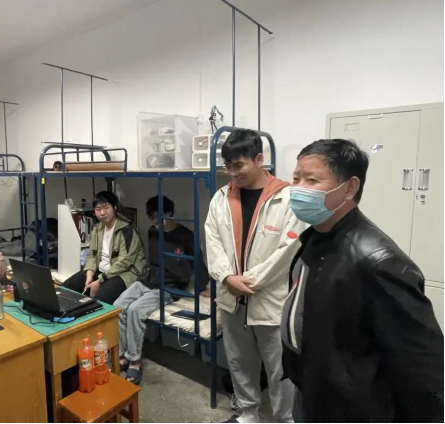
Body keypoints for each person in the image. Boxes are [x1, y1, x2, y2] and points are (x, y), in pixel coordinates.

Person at [283, 139, 445, 423]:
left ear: (349, 188)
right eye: (296, 178)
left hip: (352, 408)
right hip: (312, 390)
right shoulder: (315, 238)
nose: (298, 189)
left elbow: (421, 366)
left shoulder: (380, 262)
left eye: (312, 180)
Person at [205, 129, 305, 424]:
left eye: (239, 165)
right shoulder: (221, 198)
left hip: (271, 302)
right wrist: (226, 278)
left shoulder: (287, 198)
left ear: (259, 159)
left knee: (280, 371)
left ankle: (285, 419)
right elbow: (212, 242)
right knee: (239, 363)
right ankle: (248, 414)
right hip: (232, 299)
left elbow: (288, 250)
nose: (232, 173)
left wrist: (247, 281)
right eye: (227, 166)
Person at [115, 196, 209, 385]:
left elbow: (198, 262)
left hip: (170, 285)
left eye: (160, 216)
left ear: (170, 213)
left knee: (135, 310)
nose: (156, 221)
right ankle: (123, 354)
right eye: (152, 217)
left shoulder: (186, 236)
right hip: (149, 279)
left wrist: (202, 286)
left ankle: (134, 361)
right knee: (118, 306)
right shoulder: (152, 232)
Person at [63, 191, 147, 305]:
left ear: (115, 207)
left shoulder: (127, 230)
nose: (102, 213)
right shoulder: (97, 228)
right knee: (66, 288)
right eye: (98, 209)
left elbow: (125, 262)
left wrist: (99, 280)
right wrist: (89, 274)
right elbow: (92, 254)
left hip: (125, 273)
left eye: (106, 208)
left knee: (99, 299)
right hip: (102, 270)